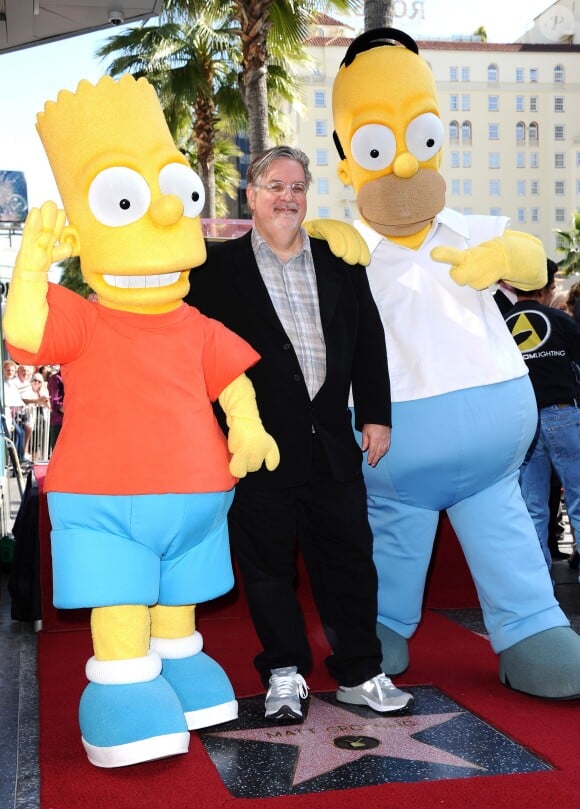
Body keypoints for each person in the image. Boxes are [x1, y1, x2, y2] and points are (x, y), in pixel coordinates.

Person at [186, 145, 414, 723]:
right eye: (275, 186)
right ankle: (285, 672)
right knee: (267, 567)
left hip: (333, 444)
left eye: (297, 186)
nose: (288, 197)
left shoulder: (340, 262)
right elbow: (194, 356)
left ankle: (361, 674)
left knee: (351, 561)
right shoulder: (213, 271)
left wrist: (376, 414)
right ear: (252, 196)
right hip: (259, 448)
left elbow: (369, 342)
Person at [505, 259, 580, 573]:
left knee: (532, 509)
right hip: (564, 416)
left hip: (522, 425)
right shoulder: (560, 320)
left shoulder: (497, 323)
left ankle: (539, 591)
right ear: (546, 287)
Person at [2, 359, 26, 463]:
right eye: (8, 370)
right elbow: (6, 399)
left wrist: (21, 404)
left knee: (19, 434)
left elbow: (16, 397)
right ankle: (15, 460)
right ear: (3, 370)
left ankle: (18, 458)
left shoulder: (12, 383)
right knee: (16, 435)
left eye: (12, 370)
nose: (10, 372)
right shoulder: (2, 383)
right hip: (4, 414)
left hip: (11, 414)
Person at [47, 365, 64, 452]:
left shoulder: (73, 379)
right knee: (58, 453)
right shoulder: (56, 379)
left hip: (70, 423)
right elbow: (55, 403)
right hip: (59, 423)